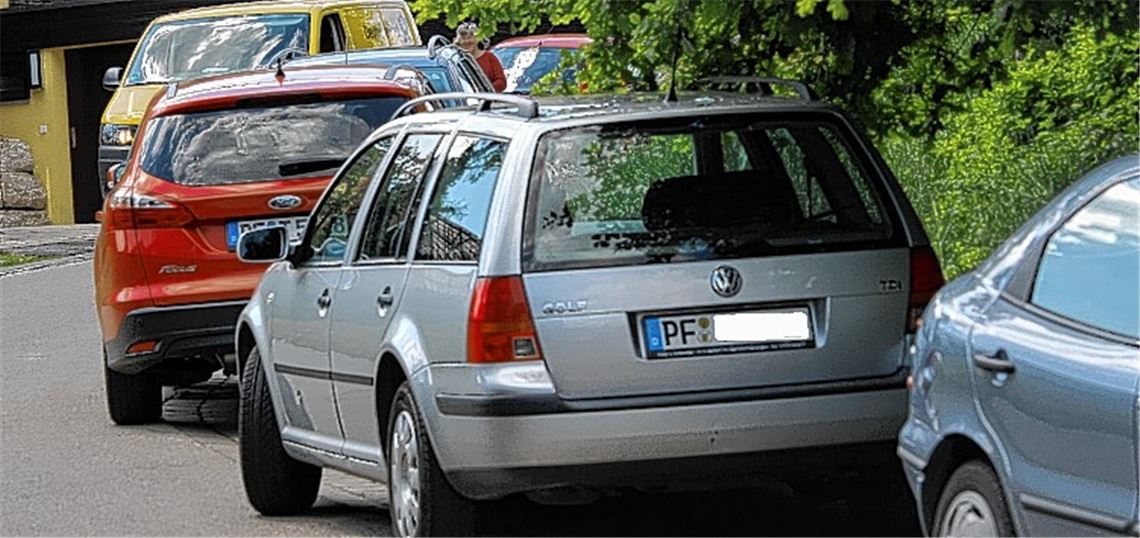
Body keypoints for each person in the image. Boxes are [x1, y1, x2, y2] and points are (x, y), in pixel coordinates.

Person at [456, 22, 506, 92]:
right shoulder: (456, 60)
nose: (466, 41)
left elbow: (501, 82)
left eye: (469, 38)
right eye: (463, 38)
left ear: (478, 39)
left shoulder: (489, 57)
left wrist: (485, 91)